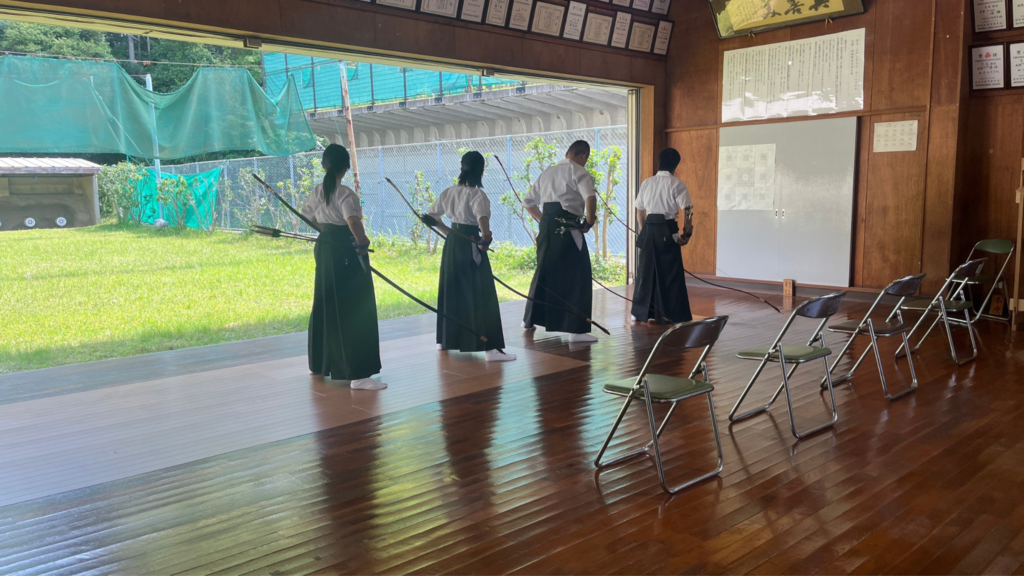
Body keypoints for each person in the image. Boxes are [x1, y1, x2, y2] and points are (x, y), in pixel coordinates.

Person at [301, 144, 386, 390]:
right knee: (354, 305)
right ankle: (358, 374)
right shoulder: (345, 193)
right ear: (346, 168)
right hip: (345, 249)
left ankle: (320, 364)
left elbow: (307, 215)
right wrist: (362, 242)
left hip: (325, 247)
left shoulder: (318, 191)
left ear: (323, 165)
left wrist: (326, 229)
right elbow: (352, 221)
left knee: (326, 299)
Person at [424, 151, 516, 362]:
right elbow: (482, 218)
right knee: (480, 292)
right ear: (481, 171)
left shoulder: (449, 192)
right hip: (471, 242)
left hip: (453, 244)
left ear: (461, 168)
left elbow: (430, 217)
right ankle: (491, 350)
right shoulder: (477, 194)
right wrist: (486, 238)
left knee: (452, 288)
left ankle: (444, 341)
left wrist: (449, 232)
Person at [521, 140, 599, 343]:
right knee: (578, 275)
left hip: (547, 228)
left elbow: (528, 202)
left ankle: (529, 320)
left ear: (567, 154)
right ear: (583, 156)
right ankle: (576, 331)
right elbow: (590, 198)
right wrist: (589, 222)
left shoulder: (548, 172)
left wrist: (544, 220)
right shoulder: (579, 171)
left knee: (544, 270)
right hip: (569, 228)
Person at [631, 147, 694, 324]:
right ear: (675, 166)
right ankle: (672, 314)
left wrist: (644, 231)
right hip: (667, 229)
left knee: (646, 272)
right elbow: (688, 210)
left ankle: (640, 313)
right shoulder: (676, 183)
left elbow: (639, 211)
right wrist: (686, 234)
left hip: (649, 228)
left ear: (659, 163)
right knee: (670, 273)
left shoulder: (647, 183)